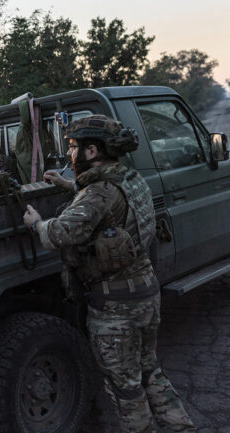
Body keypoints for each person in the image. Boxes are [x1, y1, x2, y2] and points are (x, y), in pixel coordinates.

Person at [23, 115, 196, 433]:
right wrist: (69, 184)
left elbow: (57, 234)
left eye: (74, 147)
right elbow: (107, 197)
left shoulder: (97, 194)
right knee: (150, 372)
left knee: (126, 390)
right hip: (145, 293)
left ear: (91, 151)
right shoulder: (130, 178)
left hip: (116, 307)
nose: (70, 154)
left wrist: (35, 222)